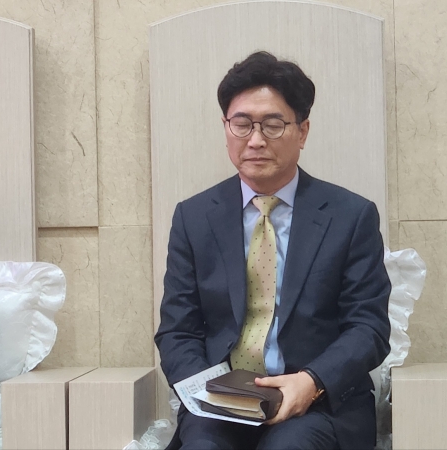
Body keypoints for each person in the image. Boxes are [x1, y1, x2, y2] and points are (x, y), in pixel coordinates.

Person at [154, 51, 391, 450]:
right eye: (242, 124)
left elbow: (369, 327)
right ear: (226, 128)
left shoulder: (350, 216)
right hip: (221, 403)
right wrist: (207, 392)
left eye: (273, 124)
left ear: (303, 131)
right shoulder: (194, 218)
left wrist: (311, 382)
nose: (256, 140)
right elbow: (178, 330)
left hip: (318, 402)